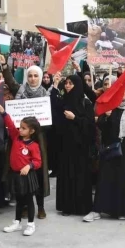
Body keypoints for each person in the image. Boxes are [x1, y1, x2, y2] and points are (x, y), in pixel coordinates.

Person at [87, 87, 125, 222]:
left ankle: (124, 210)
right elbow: (102, 127)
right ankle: (99, 209)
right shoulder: (111, 107)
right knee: (107, 178)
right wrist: (106, 117)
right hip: (112, 148)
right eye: (120, 90)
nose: (123, 93)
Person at [0, 103, 42, 236]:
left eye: (24, 128)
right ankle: (17, 222)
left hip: (27, 177)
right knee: (19, 200)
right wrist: (3, 112)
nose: (20, 130)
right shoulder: (16, 137)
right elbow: (9, 123)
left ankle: (31, 224)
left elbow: (38, 162)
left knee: (29, 201)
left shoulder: (34, 145)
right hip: (15, 175)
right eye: (20, 127)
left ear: (31, 131)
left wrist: (29, 166)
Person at [52, 74, 96, 216]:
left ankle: (81, 207)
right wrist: (55, 85)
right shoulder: (63, 100)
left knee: (80, 175)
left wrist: (75, 118)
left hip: (81, 147)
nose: (68, 86)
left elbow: (90, 125)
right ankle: (67, 206)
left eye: (71, 83)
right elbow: (52, 107)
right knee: (67, 175)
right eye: (66, 83)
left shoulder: (86, 103)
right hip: (65, 146)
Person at [10, 65, 50, 219]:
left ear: (40, 78)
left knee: (38, 174)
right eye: (30, 76)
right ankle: (26, 206)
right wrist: (6, 67)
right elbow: (11, 82)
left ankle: (40, 207)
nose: (32, 78)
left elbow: (50, 120)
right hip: (22, 139)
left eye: (35, 76)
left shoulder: (45, 94)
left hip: (38, 139)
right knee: (23, 174)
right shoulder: (21, 92)